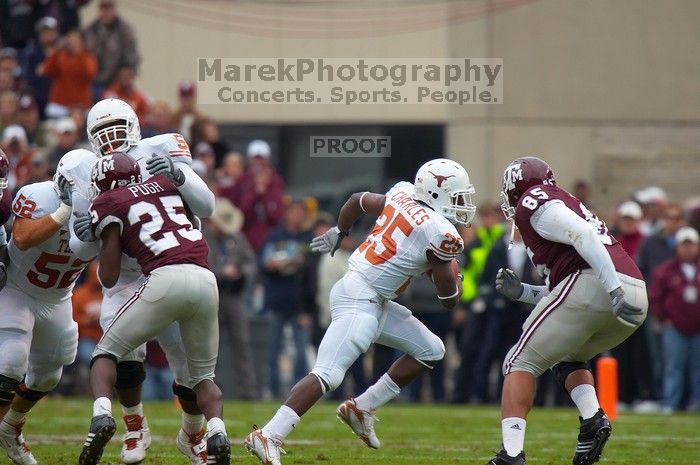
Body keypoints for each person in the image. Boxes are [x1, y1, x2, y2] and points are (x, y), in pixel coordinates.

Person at [245, 158, 474, 464]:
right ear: (437, 192)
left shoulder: (401, 194)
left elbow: (356, 201)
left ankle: (361, 407)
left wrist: (339, 231)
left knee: (430, 349)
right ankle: (268, 434)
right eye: (457, 197)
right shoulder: (441, 232)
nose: (462, 205)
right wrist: (453, 280)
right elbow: (448, 299)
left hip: (368, 294)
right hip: (361, 298)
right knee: (328, 373)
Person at [70, 97, 215, 465]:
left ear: (134, 124)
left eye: (117, 127)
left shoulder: (160, 149)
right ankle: (135, 426)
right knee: (122, 356)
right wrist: (87, 232)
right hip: (126, 276)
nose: (111, 137)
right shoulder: (84, 167)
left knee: (185, 362)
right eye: (102, 132)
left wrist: (178, 173)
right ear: (90, 137)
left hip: (169, 265)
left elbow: (207, 205)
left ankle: (193, 432)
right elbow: (79, 248)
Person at [485, 156, 648, 465]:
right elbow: (562, 293)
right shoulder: (564, 201)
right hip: (635, 293)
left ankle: (511, 455)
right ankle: (592, 420)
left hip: (599, 284)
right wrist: (522, 292)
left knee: (519, 361)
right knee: (567, 355)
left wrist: (612, 289)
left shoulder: (534, 200)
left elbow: (582, 238)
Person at [0, 149, 96, 465]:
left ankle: (11, 427)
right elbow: (23, 237)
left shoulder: (105, 208)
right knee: (11, 361)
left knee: (49, 376)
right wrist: (63, 213)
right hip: (17, 290)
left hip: (58, 297)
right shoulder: (38, 195)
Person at [204, 198, 259, 399]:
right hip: (212, 296)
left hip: (234, 296)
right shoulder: (204, 238)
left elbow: (251, 262)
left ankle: (248, 391)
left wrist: (241, 271)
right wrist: (222, 272)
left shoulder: (237, 238)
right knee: (212, 346)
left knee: (242, 343)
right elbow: (202, 267)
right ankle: (214, 391)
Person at [261, 199, 313, 397]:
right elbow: (263, 264)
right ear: (288, 213)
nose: (298, 216)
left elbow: (311, 272)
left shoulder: (307, 238)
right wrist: (276, 263)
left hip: (299, 303)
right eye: (295, 211)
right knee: (273, 350)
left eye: (302, 212)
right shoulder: (275, 236)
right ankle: (272, 389)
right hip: (276, 300)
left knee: (300, 352)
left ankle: (298, 392)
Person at [649, 226, 700, 412]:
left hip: (698, 327)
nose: (688, 249)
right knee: (673, 367)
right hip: (674, 326)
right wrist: (663, 318)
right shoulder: (666, 270)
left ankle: (697, 404)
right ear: (677, 247)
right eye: (684, 245)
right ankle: (670, 402)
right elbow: (655, 297)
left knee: (698, 368)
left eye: (691, 245)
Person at [83, 0, 140, 101]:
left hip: (115, 82)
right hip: (93, 81)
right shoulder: (91, 29)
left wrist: (127, 74)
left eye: (108, 8)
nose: (106, 12)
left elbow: (131, 56)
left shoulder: (125, 30)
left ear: (114, 9)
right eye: (103, 8)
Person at [39, 29, 97, 117]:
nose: (73, 44)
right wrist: (57, 50)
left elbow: (89, 74)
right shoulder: (60, 56)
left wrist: (79, 54)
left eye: (76, 41)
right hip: (60, 105)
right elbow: (46, 70)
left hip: (81, 106)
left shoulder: (88, 57)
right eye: (70, 41)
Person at [20, 17, 60, 118]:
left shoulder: (63, 52)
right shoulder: (31, 53)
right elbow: (28, 76)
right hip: (39, 97)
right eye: (44, 32)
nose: (47, 35)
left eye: (50, 32)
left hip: (60, 98)